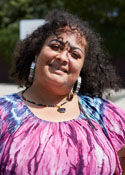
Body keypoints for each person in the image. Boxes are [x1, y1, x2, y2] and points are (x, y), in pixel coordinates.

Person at [0, 9, 124, 175]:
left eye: (75, 54)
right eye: (55, 46)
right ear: (36, 53)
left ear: (82, 68)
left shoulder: (107, 116)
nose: (63, 58)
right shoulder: (3, 114)